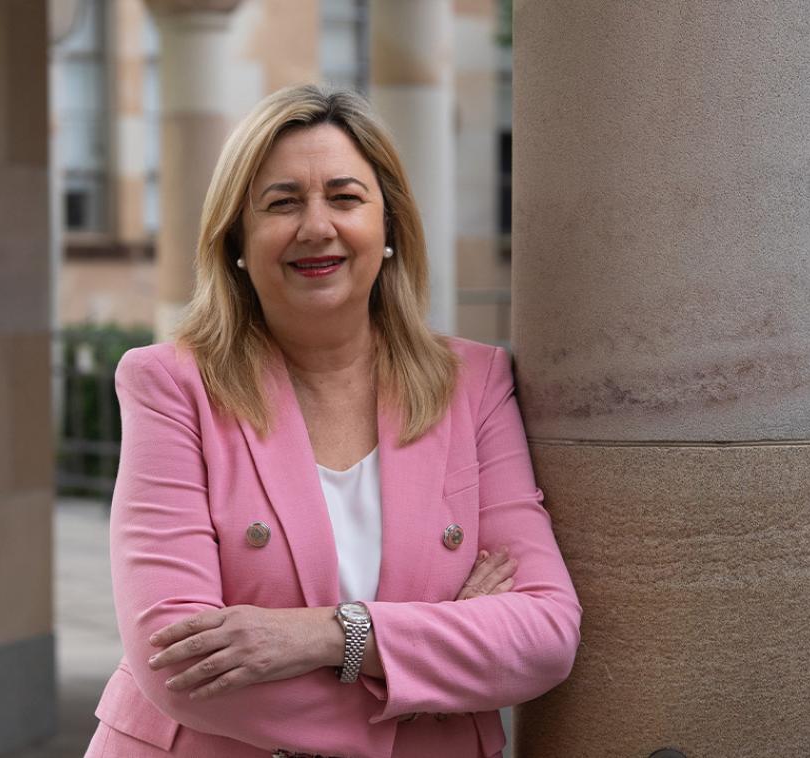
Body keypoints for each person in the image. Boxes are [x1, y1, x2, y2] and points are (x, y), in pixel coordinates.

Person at [85, 84, 580, 758]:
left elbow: (545, 634)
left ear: (389, 230)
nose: (316, 227)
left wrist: (327, 636)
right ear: (236, 238)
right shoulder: (172, 386)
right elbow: (179, 660)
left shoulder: (475, 385)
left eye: (345, 198)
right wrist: (437, 664)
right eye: (282, 203)